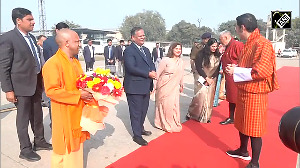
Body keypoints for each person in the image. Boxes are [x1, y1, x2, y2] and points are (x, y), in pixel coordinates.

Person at [225, 13, 279, 168]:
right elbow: (248, 68)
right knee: (242, 124)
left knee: (255, 129)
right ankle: (243, 150)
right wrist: (236, 69)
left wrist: (236, 71)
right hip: (244, 90)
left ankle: (255, 163)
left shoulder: (263, 43)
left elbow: (261, 71)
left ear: (242, 27)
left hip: (256, 93)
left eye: (236, 28)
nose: (236, 31)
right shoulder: (249, 43)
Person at [0, 7, 52, 162]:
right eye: (29, 19)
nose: (33, 22)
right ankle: (25, 149)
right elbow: (4, 66)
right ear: (18, 21)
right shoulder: (8, 38)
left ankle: (39, 141)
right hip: (20, 87)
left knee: (37, 115)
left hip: (35, 84)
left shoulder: (30, 37)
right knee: (23, 119)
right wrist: (8, 89)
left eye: (33, 19)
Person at [42, 29, 92, 168]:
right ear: (67, 43)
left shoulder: (75, 62)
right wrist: (78, 95)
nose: (80, 44)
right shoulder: (53, 63)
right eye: (77, 41)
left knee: (77, 148)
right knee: (64, 151)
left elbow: (81, 83)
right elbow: (51, 91)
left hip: (77, 113)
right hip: (64, 116)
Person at [123, 27, 156, 146]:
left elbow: (151, 63)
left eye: (143, 35)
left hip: (146, 85)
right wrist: (148, 73)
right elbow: (131, 67)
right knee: (136, 112)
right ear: (133, 37)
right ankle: (137, 135)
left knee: (143, 110)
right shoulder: (129, 51)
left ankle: (140, 129)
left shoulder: (146, 50)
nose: (143, 37)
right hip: (134, 86)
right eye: (140, 36)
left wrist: (153, 70)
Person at [186, 38, 221, 123]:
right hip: (201, 77)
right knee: (199, 96)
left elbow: (217, 69)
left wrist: (212, 78)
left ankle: (206, 116)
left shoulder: (217, 55)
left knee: (209, 98)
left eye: (216, 46)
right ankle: (193, 114)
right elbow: (198, 67)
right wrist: (206, 78)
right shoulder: (201, 54)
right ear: (208, 46)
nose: (214, 48)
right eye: (212, 46)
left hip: (212, 79)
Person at [154, 42, 184, 132]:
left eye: (179, 49)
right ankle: (161, 123)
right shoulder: (165, 60)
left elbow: (181, 74)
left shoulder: (181, 61)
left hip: (174, 87)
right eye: (176, 49)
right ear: (172, 49)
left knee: (173, 106)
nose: (178, 50)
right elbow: (158, 73)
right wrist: (154, 86)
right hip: (164, 86)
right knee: (165, 106)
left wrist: (182, 84)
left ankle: (173, 122)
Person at [219, 30, 244, 125]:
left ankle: (239, 118)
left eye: (221, 39)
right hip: (229, 76)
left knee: (236, 98)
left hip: (236, 76)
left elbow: (244, 60)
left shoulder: (237, 45)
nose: (220, 41)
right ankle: (231, 117)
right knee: (231, 98)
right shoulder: (228, 46)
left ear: (226, 37)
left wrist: (235, 67)